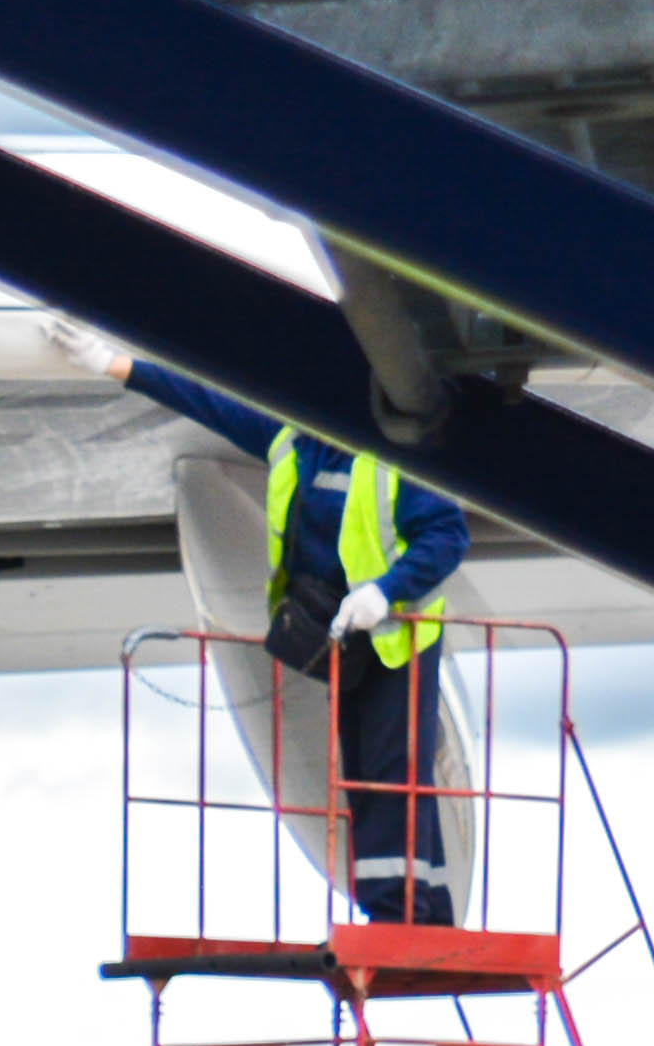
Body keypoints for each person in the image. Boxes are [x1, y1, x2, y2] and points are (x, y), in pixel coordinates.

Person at [114, 348, 467, 923]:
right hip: (344, 635)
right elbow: (212, 405)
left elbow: (447, 536)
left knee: (390, 773)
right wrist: (126, 368)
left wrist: (384, 590)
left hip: (399, 640)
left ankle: (399, 912)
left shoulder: (395, 461)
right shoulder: (295, 445)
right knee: (371, 774)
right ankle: (418, 910)